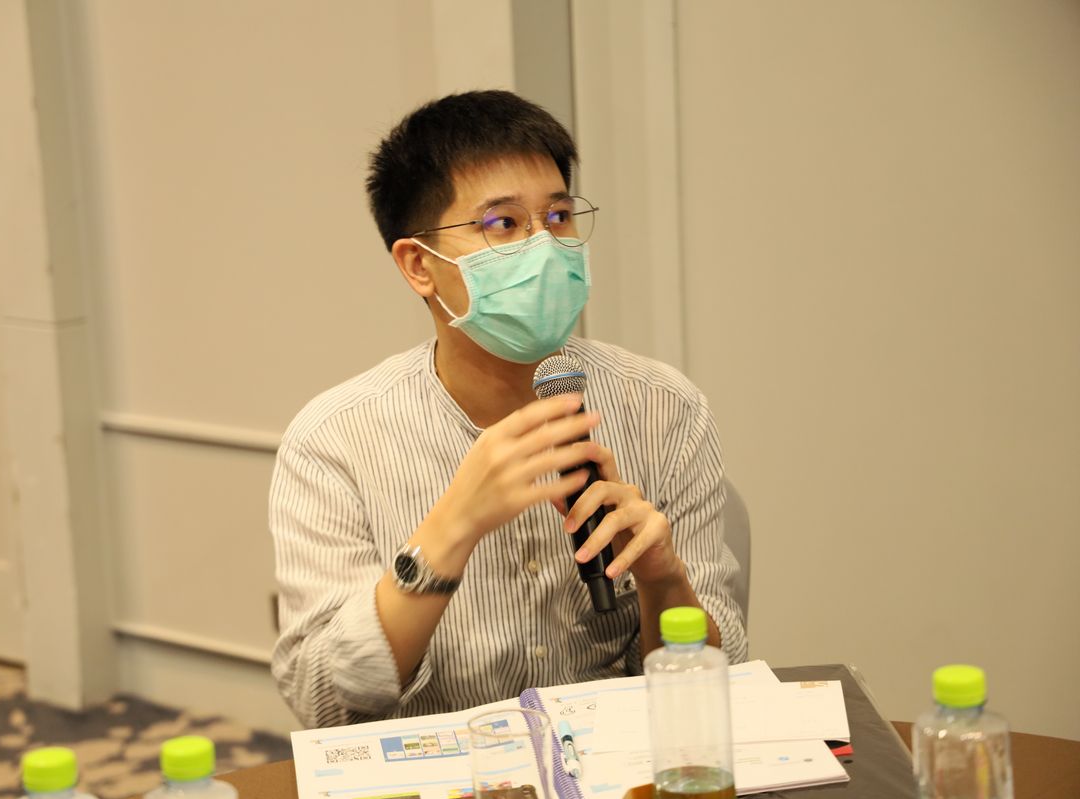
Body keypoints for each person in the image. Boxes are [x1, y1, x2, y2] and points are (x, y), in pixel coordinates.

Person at [269, 90, 746, 729]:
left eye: (558, 216)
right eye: (503, 224)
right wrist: (450, 529)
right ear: (419, 265)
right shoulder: (334, 439)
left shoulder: (664, 407)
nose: (543, 246)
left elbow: (724, 679)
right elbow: (324, 699)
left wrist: (662, 579)